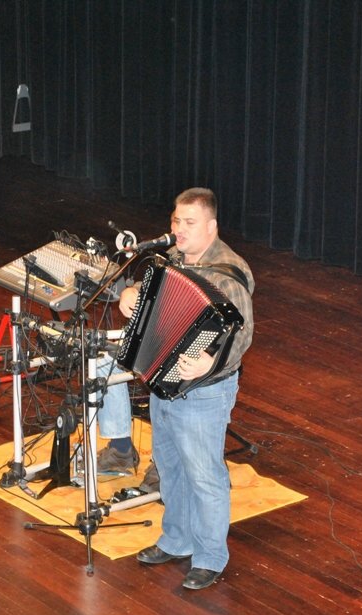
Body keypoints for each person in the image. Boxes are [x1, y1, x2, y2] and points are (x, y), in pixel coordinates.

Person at [125, 188, 254, 591]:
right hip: (163, 383)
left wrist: (208, 363)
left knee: (204, 475)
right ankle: (176, 539)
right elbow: (149, 293)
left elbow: (241, 336)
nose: (179, 229)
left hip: (205, 391)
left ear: (212, 227)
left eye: (189, 223)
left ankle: (210, 557)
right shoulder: (173, 259)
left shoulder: (229, 274)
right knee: (170, 466)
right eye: (176, 221)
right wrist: (130, 294)